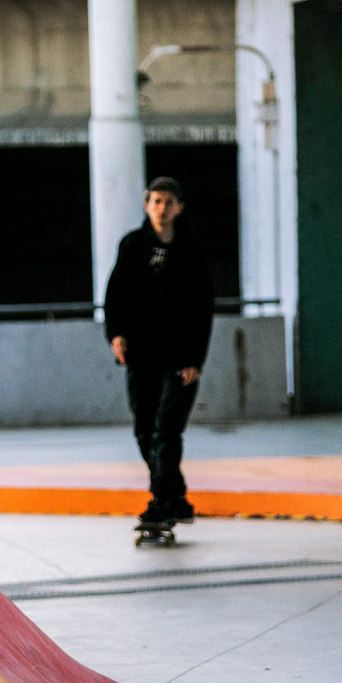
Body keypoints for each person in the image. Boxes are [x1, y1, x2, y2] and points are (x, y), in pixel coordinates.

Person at [104, 176, 214, 528]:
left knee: (165, 430)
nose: (162, 208)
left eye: (169, 202)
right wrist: (117, 335)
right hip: (141, 355)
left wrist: (195, 360)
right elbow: (115, 295)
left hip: (180, 359)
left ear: (180, 207)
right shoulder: (133, 245)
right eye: (156, 201)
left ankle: (161, 501)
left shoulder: (193, 250)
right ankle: (176, 496)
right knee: (143, 429)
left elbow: (202, 308)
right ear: (146, 204)